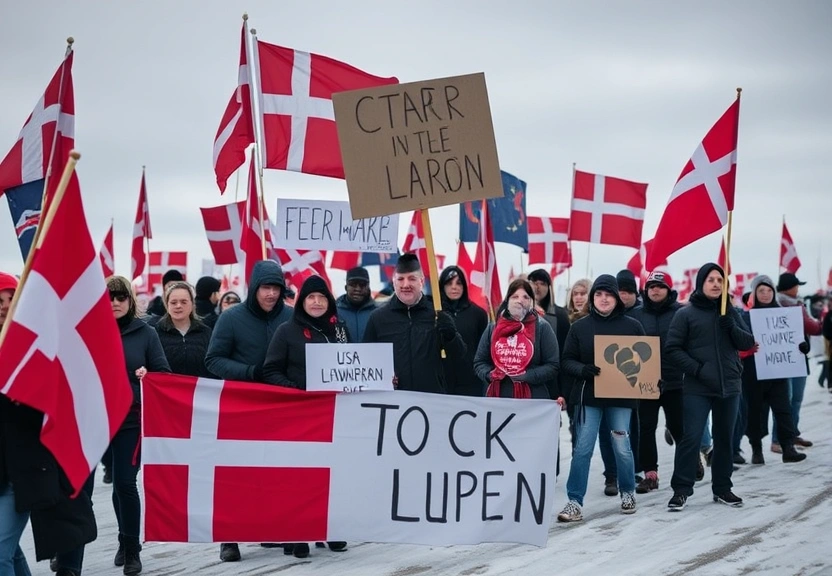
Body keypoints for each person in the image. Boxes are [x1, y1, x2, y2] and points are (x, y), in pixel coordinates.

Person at [204, 260, 293, 563]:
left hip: (281, 409)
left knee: (275, 471)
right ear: (254, 288)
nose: (271, 294)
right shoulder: (231, 319)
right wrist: (251, 372)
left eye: (276, 288)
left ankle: (269, 526)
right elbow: (213, 360)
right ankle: (229, 537)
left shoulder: (293, 318)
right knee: (235, 473)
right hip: (241, 408)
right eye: (266, 288)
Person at [262, 275, 349, 558]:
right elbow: (271, 369)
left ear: (329, 301)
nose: (316, 302)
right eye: (311, 297)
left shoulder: (340, 331)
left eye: (321, 297)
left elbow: (355, 367)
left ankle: (330, 529)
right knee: (300, 476)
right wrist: (295, 391)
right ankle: (298, 532)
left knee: (333, 475)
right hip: (298, 415)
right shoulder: (286, 331)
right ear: (302, 302)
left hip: (334, 415)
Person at [665, 263, 754, 511]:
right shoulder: (686, 314)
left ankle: (723, 489)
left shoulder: (731, 311)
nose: (716, 284)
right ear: (701, 283)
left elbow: (747, 342)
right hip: (698, 387)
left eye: (720, 280)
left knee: (724, 438)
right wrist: (697, 369)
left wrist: (731, 326)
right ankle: (681, 490)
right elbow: (672, 349)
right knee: (691, 438)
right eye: (711, 279)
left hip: (730, 385)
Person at [557, 274, 646, 522]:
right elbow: (566, 361)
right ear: (593, 298)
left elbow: (646, 359)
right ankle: (574, 501)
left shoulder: (632, 326)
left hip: (621, 397)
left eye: (608, 294)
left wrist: (652, 380)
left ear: (616, 297)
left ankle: (628, 491)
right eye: (598, 294)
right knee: (582, 448)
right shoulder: (580, 327)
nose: (603, 299)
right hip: (590, 397)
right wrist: (582, 370)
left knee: (622, 447)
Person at [106, 275, 171, 574]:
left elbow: (163, 374)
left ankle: (131, 547)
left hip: (130, 419)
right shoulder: (88, 332)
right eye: (110, 297)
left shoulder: (146, 333)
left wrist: (148, 375)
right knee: (79, 488)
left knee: (125, 483)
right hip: (93, 420)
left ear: (130, 301)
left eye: (121, 297)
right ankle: (71, 546)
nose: (115, 303)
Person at [363, 254, 465, 393]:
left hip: (430, 399)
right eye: (400, 279)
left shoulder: (437, 314)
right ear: (394, 282)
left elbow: (459, 356)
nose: (406, 285)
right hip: (393, 401)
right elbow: (366, 360)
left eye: (412, 279)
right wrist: (382, 378)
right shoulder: (378, 318)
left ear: (421, 281)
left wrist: (450, 335)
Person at [740, 275, 806, 465]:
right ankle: (756, 449)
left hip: (778, 372)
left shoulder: (785, 315)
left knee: (783, 410)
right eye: (761, 291)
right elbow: (739, 344)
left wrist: (803, 347)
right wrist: (749, 348)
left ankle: (788, 448)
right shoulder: (746, 316)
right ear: (754, 293)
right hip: (753, 374)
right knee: (755, 413)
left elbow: (796, 340)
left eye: (769, 290)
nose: (766, 294)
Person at [630, 271, 683, 493]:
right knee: (646, 428)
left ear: (668, 289)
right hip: (646, 383)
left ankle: (687, 466)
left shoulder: (682, 312)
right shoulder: (635, 314)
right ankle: (650, 474)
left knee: (679, 428)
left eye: (660, 286)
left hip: (676, 381)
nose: (655, 290)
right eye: (651, 286)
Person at [473, 278, 561, 400]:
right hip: (498, 397)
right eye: (515, 296)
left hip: (533, 399)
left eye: (525, 297)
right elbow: (479, 362)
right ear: (508, 300)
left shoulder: (542, 327)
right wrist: (490, 374)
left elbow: (553, 365)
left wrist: (526, 375)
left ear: (532, 302)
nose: (520, 301)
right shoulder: (493, 327)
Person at [0, 272, 31, 576]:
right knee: (11, 551)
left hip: (19, 470)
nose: (4, 306)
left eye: (11, 298)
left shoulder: (32, 348)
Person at [771, 273, 822, 452]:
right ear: (788, 287)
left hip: (798, 357)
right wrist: (820, 322)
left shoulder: (794, 303)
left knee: (795, 399)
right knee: (787, 400)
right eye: (796, 285)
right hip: (785, 359)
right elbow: (812, 327)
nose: (798, 288)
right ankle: (778, 439)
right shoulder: (783, 305)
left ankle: (791, 434)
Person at [438, 266, 488, 396]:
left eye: (459, 283)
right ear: (442, 286)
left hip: (470, 381)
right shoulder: (435, 313)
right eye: (449, 283)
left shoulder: (478, 314)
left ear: (464, 286)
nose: (454, 287)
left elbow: (483, 350)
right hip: (441, 382)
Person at [155, 282, 214, 378]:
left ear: (192, 304)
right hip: (166, 391)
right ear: (167, 305)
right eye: (173, 302)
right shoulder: (155, 333)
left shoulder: (206, 333)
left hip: (198, 391)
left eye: (184, 302)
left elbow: (212, 366)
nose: (178, 306)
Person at [335, 267, 377, 342]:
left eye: (362, 285)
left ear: (369, 287)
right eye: (353, 284)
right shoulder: (334, 312)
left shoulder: (379, 312)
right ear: (346, 287)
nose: (357, 289)